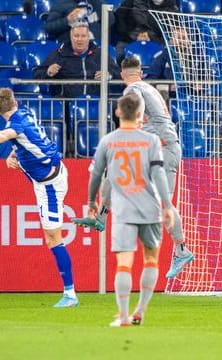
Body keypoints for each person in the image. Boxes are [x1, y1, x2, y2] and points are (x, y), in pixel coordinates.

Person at [73, 57, 194, 279]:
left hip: (162, 150)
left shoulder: (134, 89)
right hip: (163, 148)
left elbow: (136, 104)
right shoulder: (147, 86)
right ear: (140, 71)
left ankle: (182, 250)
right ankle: (181, 249)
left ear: (122, 75)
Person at [87, 93, 175, 327]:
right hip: (151, 208)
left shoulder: (108, 141)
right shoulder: (151, 141)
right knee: (150, 260)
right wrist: (167, 205)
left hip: (124, 210)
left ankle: (124, 316)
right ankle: (141, 311)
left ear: (117, 113)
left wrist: (92, 201)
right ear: (140, 115)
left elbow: (97, 175)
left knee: (124, 264)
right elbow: (158, 174)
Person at [0, 88, 77, 308]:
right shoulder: (25, 113)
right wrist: (13, 156)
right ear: (14, 102)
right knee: (51, 236)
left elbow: (6, 136)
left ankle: (70, 294)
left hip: (49, 186)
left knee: (53, 238)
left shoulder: (14, 126)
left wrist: (13, 151)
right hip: (49, 172)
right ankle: (69, 293)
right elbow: (26, 139)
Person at [33, 22, 121, 99]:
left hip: (96, 103)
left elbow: (118, 73)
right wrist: (48, 72)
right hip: (66, 104)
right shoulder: (59, 54)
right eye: (76, 36)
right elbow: (37, 73)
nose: (79, 39)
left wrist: (109, 75)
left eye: (83, 36)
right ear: (71, 37)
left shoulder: (100, 54)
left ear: (88, 38)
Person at [114, 0, 179, 63]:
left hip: (158, 40)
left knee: (167, 57)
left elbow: (172, 27)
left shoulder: (170, 5)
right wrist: (131, 35)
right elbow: (120, 15)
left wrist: (150, 37)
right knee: (120, 53)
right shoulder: (132, 2)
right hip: (130, 38)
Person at [45, 0, 115, 43]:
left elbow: (111, 21)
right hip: (71, 48)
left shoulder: (97, 2)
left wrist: (97, 2)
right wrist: (67, 21)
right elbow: (49, 28)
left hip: (96, 47)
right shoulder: (61, 3)